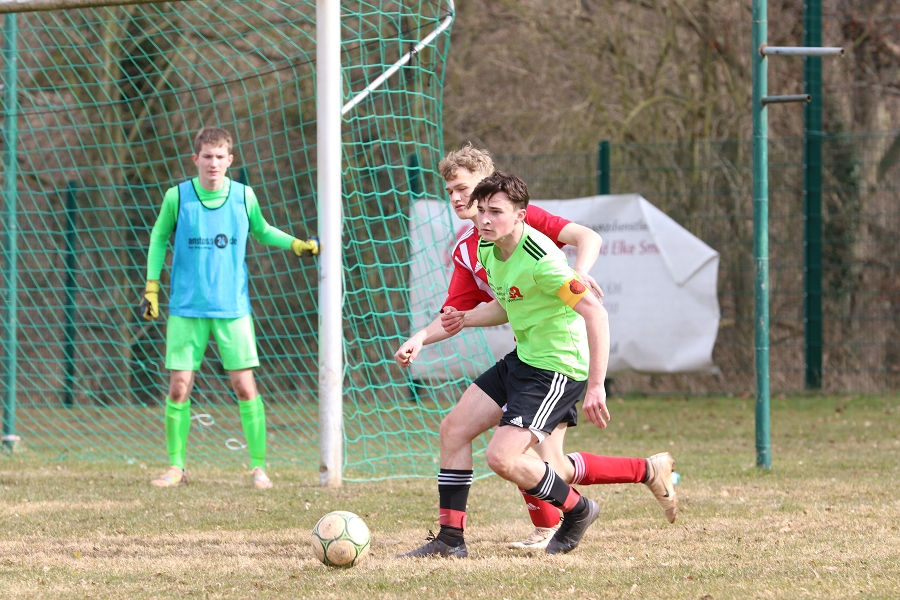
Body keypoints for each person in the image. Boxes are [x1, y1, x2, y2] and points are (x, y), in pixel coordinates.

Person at [395, 148, 676, 556]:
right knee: (456, 431)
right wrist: (444, 327)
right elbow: (505, 303)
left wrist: (596, 385)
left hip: (555, 367)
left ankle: (577, 512)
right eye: (476, 207)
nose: (479, 214)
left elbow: (595, 311)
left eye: (488, 207)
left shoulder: (540, 255)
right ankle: (450, 540)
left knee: (506, 458)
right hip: (524, 358)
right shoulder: (485, 246)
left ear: (517, 214)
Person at [139, 127, 319, 490]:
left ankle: (258, 468)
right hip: (186, 308)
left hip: (232, 307)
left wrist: (296, 244)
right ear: (195, 159)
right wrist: (152, 288)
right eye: (207, 156)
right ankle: (176, 467)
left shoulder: (243, 196)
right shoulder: (177, 196)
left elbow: (262, 230)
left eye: (220, 157)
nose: (213, 163)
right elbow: (158, 237)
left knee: (244, 386)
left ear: (230, 160)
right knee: (178, 388)